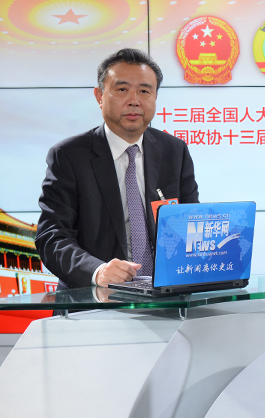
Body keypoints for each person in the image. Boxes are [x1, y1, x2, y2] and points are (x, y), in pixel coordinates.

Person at [36, 48, 199, 289]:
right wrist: (97, 271)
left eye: (144, 91)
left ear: (155, 97)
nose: (134, 100)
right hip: (96, 298)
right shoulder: (69, 156)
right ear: (99, 96)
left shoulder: (174, 151)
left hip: (165, 297)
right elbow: (52, 237)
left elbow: (191, 225)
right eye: (122, 89)